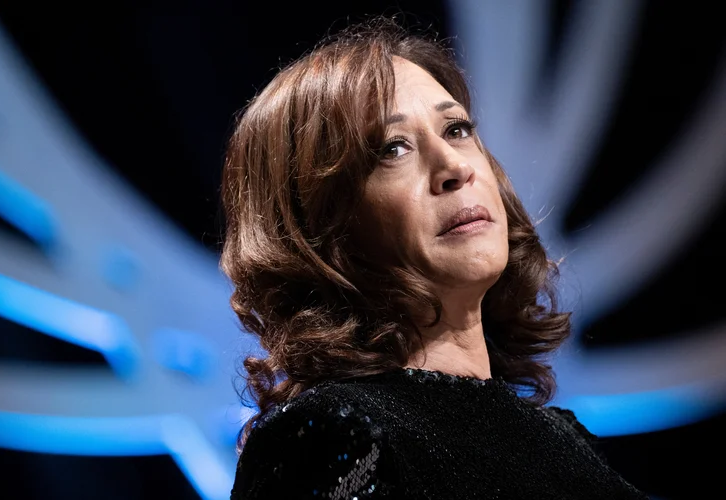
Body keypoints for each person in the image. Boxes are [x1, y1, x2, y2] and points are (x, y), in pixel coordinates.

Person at [221, 17, 649, 500]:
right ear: (318, 226)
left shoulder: (563, 437)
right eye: (393, 148)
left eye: (457, 129)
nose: (454, 167)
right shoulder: (332, 438)